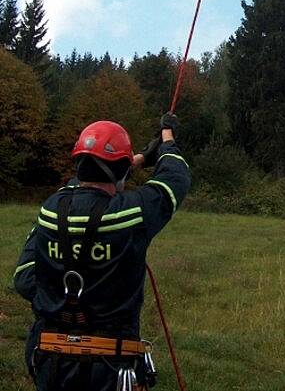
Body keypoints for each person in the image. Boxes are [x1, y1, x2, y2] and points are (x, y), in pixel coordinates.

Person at [13, 113, 190, 391]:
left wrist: (56, 302)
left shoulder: (50, 211)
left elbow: (24, 278)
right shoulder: (131, 213)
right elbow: (174, 179)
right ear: (121, 170)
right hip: (111, 368)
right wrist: (167, 138)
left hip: (50, 363)